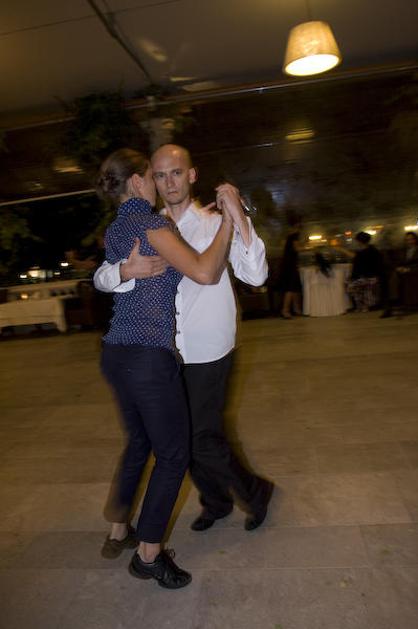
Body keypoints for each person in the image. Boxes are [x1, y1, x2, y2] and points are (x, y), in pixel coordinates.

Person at [94, 144, 273, 535]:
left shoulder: (214, 222)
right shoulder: (146, 224)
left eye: (176, 173)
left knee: (203, 436)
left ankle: (255, 492)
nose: (169, 182)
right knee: (179, 437)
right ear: (148, 181)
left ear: (192, 175)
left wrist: (238, 217)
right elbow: (101, 277)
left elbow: (256, 275)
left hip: (209, 348)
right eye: (160, 175)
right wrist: (124, 271)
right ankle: (216, 502)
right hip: (165, 353)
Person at [335, 231, 384, 312]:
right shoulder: (372, 249)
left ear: (359, 241)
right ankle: (363, 306)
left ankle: (363, 305)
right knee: (355, 286)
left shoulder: (367, 251)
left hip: (369, 277)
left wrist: (341, 250)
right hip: (371, 276)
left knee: (350, 285)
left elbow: (356, 257)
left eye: (357, 241)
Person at [278, 225, 302, 318]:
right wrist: (309, 247)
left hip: (287, 265)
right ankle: (285, 310)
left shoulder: (288, 237)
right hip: (291, 266)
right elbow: (297, 248)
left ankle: (296, 309)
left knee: (294, 288)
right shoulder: (294, 236)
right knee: (291, 288)